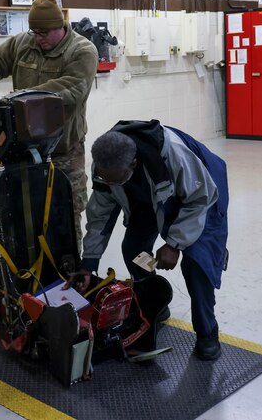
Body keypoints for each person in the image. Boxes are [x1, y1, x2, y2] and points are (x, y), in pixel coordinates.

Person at [74, 120, 229, 361]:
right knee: (134, 249)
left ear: (133, 164)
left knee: (197, 264)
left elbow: (200, 198)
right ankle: (155, 298)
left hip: (202, 193)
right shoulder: (107, 166)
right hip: (152, 196)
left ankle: (207, 332)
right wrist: (89, 263)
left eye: (117, 180)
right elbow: (99, 217)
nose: (110, 184)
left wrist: (174, 244)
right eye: (107, 181)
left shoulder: (173, 155)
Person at [0, 0, 98, 247]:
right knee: (24, 213)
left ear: (61, 25)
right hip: (23, 150)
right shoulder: (23, 43)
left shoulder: (82, 50)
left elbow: (71, 90)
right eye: (34, 31)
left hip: (63, 152)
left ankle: (68, 274)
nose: (39, 37)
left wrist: (18, 99)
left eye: (45, 32)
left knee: (66, 215)